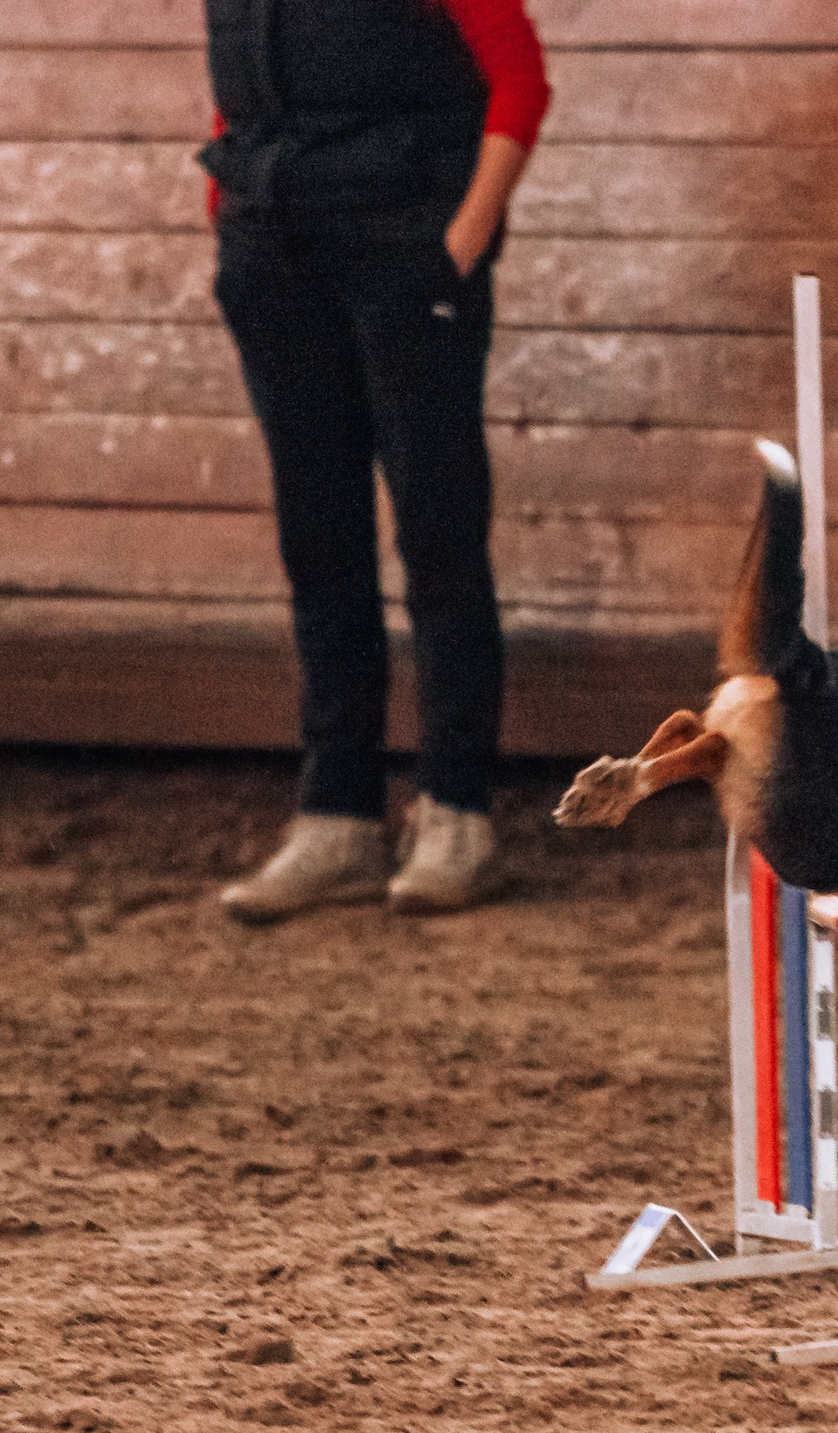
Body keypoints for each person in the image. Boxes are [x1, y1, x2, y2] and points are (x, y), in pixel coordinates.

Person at [200, 0, 550, 921]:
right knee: (320, 545)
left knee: (438, 536)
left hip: (408, 254)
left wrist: (458, 247)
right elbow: (240, 101)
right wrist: (230, 215)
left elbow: (520, 84)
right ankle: (337, 818)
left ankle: (457, 815)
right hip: (274, 255)